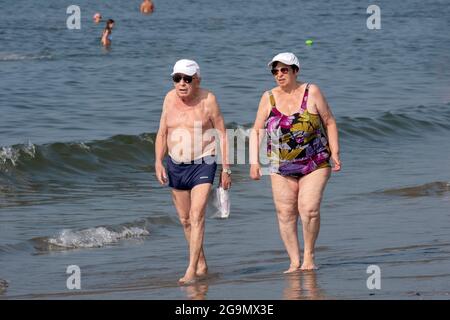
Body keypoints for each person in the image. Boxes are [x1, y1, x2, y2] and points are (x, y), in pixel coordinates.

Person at [249, 52, 341, 272]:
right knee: (286, 213)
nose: (279, 75)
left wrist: (335, 152)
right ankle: (294, 261)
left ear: (295, 71)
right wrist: (254, 162)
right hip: (279, 165)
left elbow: (329, 121)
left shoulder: (312, 92)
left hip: (315, 161)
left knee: (308, 209)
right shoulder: (268, 97)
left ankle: (309, 256)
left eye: (284, 70)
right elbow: (257, 130)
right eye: (275, 71)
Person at [155, 59, 231, 284]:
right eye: (177, 78)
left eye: (187, 79)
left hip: (203, 162)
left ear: (197, 80)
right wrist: (158, 161)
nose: (181, 83)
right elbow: (161, 133)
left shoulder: (209, 100)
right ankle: (200, 262)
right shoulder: (169, 99)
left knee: (197, 216)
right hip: (175, 164)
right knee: (185, 220)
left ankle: (190, 270)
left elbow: (223, 134)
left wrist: (226, 168)